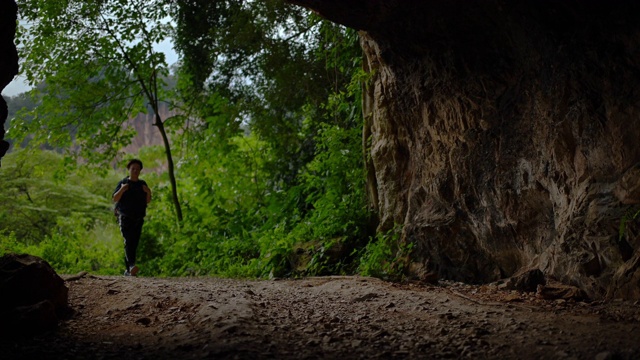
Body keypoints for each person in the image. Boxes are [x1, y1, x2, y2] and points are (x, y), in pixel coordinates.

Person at [112, 159, 152, 276]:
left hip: (139, 218)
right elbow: (115, 198)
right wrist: (122, 189)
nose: (135, 171)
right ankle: (131, 265)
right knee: (128, 241)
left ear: (140, 171)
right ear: (129, 170)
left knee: (133, 243)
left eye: (137, 169)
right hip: (125, 217)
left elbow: (147, 201)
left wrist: (148, 192)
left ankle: (128, 271)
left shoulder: (142, 184)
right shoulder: (123, 183)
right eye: (133, 169)